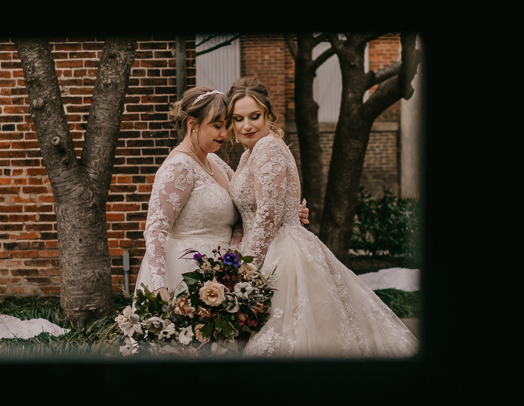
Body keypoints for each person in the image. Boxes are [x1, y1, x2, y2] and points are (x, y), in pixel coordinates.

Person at [226, 75, 419, 358]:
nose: (246, 125)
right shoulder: (249, 154)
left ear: (268, 114)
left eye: (254, 116)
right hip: (270, 245)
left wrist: (248, 269)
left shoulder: (267, 147)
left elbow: (268, 216)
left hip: (278, 253)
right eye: (238, 118)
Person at [135, 86, 309, 304]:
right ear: (193, 124)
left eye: (226, 126)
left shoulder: (214, 162)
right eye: (217, 126)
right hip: (184, 271)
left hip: (223, 275)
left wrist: (288, 210)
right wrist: (159, 285)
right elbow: (155, 229)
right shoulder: (178, 166)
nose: (224, 134)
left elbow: (245, 205)